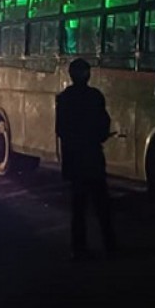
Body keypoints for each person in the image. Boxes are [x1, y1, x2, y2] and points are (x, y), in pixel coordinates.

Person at [55, 58, 117, 260]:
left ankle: (79, 247)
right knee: (101, 205)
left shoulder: (64, 98)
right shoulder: (95, 96)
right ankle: (110, 244)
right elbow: (103, 124)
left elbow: (61, 130)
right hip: (92, 157)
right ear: (88, 75)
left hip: (74, 159)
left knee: (78, 207)